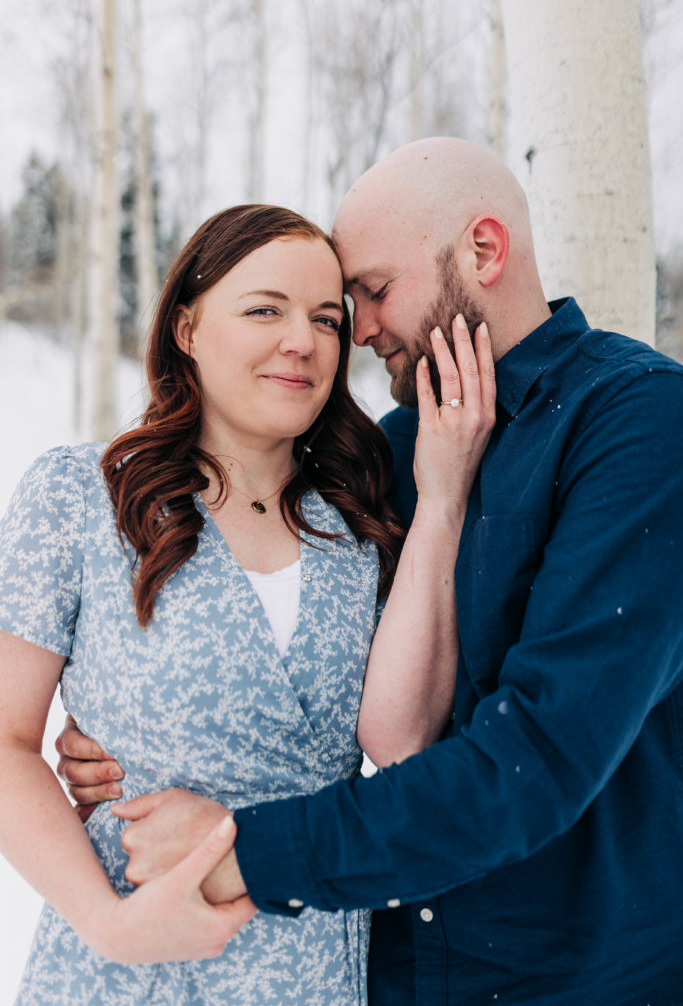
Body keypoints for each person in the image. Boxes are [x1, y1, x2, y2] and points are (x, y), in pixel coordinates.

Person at [59, 138, 683, 1004]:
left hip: (575, 976)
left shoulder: (639, 424)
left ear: (484, 251)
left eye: (372, 292)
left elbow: (539, 754)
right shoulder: (381, 454)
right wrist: (130, 739)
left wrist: (245, 852)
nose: (360, 329)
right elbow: (307, 670)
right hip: (377, 973)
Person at [0, 202, 495, 1005]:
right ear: (187, 329)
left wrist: (441, 496)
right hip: (128, 969)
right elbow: (5, 742)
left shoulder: (367, 524)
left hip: (316, 969)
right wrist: (107, 923)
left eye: (327, 319)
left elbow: (399, 742)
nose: (302, 340)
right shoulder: (79, 498)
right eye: (264, 309)